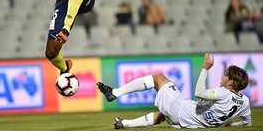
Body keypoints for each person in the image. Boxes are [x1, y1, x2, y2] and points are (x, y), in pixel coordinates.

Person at [97, 53, 251, 129]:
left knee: (158, 77)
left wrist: (205, 68)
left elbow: (199, 93)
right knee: (163, 115)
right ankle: (124, 124)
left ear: (230, 82)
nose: (222, 77)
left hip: (181, 110)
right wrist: (231, 124)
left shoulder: (224, 92)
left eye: (225, 76)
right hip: (187, 123)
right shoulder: (245, 102)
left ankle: (114, 93)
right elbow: (247, 124)